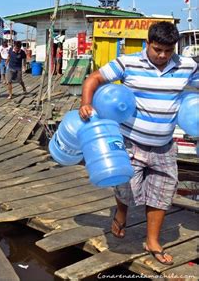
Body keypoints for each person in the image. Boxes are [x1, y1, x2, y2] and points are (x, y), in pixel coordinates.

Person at [79, 21, 199, 265]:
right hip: (130, 142)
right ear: (148, 44)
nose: (163, 55)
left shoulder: (187, 65)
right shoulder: (128, 63)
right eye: (158, 50)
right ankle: (121, 214)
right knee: (126, 188)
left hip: (164, 146)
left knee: (162, 193)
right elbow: (95, 78)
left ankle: (152, 240)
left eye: (169, 50)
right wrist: (85, 102)